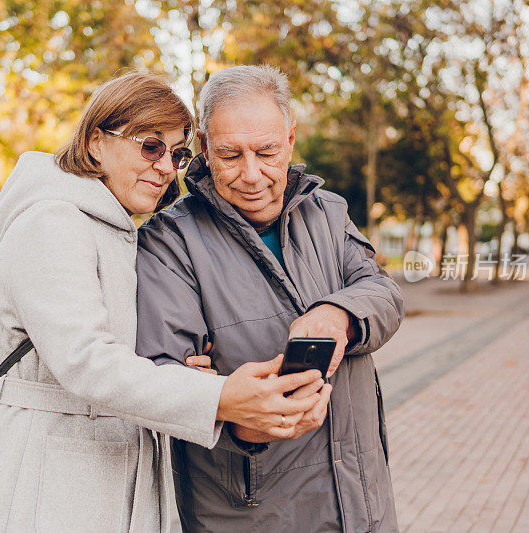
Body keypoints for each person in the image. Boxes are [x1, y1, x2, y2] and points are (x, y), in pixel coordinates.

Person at [0, 72, 329, 533]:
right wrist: (219, 396)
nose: (166, 166)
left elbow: (125, 355)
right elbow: (86, 361)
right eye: (150, 146)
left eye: (178, 153)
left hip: (106, 476)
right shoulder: (52, 222)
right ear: (95, 143)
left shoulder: (115, 226)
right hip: (45, 481)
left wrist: (180, 370)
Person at [136, 65, 405, 532]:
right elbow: (166, 383)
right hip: (251, 512)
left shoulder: (329, 211)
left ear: (291, 139)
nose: (252, 174)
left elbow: (382, 291)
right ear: (203, 147)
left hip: (363, 503)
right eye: (229, 154)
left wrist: (339, 312)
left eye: (267, 151)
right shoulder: (167, 241)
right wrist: (238, 419)